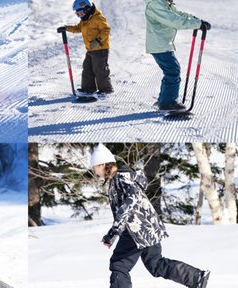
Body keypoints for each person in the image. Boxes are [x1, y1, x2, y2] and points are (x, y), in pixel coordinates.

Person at [90, 144, 210, 288]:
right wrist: (113, 233)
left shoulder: (120, 178)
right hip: (148, 228)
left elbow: (132, 198)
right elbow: (128, 206)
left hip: (136, 231)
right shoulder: (122, 177)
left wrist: (113, 233)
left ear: (102, 164)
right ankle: (195, 277)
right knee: (156, 264)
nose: (94, 171)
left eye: (94, 167)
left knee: (119, 266)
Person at [144, 0, 211, 111]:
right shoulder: (156, 4)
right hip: (159, 45)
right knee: (173, 71)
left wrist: (196, 20)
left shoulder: (163, 3)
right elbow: (174, 21)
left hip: (162, 44)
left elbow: (178, 15)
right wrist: (197, 24)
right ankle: (168, 103)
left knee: (170, 71)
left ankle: (164, 99)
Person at [57, 0, 113, 95]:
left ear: (87, 9)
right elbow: (78, 28)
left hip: (100, 49)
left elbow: (106, 30)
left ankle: (106, 90)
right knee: (87, 68)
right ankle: (88, 89)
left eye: (81, 13)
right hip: (90, 50)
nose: (80, 15)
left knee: (100, 70)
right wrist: (67, 28)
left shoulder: (98, 18)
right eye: (77, 14)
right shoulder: (85, 20)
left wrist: (98, 40)